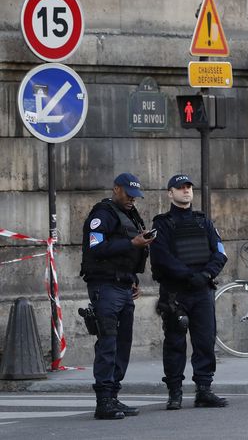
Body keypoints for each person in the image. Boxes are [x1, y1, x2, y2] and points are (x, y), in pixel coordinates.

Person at [150, 174, 228, 410]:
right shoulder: (161, 224)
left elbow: (220, 253)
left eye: (188, 187)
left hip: (202, 290)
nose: (186, 191)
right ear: (170, 193)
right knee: (174, 343)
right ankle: (175, 392)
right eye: (180, 188)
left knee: (205, 341)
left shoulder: (203, 221)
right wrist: (188, 276)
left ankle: (204, 389)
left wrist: (205, 275)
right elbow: (161, 257)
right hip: (175, 292)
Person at [80, 173, 154, 420]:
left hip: (123, 285)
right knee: (108, 342)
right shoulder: (103, 214)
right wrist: (132, 243)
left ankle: (113, 395)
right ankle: (103, 401)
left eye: (136, 196)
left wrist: (133, 278)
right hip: (105, 286)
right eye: (129, 194)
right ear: (116, 189)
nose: (133, 199)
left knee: (123, 343)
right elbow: (96, 247)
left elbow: (128, 254)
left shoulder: (129, 215)